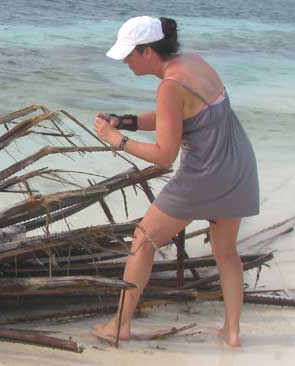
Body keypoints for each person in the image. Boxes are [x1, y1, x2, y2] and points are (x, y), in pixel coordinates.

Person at [92, 16, 259, 347]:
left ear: (149, 52)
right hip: (238, 165)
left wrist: (116, 140)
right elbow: (181, 114)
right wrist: (125, 121)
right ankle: (232, 331)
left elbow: (164, 154)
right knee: (226, 251)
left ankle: (119, 326)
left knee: (142, 241)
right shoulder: (193, 63)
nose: (125, 61)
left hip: (204, 174)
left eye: (129, 55)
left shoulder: (169, 86)